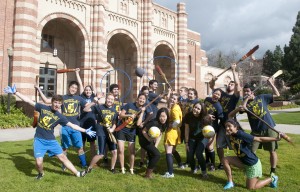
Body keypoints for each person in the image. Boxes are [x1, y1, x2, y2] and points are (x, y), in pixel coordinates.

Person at [4, 85, 96, 179]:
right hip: (39, 140)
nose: (57, 105)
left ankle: (78, 173)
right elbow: (28, 101)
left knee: (63, 158)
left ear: (61, 105)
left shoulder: (60, 116)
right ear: (52, 102)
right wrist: (16, 92)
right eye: (55, 102)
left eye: (59, 103)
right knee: (39, 162)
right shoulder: (42, 108)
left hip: (51, 141)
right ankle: (41, 173)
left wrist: (85, 130)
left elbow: (72, 125)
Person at [230, 80, 280, 175]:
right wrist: (246, 99)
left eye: (248, 91)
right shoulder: (245, 103)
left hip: (269, 128)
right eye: (244, 91)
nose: (246, 93)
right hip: (255, 131)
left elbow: (277, 94)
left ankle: (272, 171)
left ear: (253, 92)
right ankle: (253, 167)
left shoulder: (262, 97)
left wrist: (271, 84)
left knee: (272, 150)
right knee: (250, 151)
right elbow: (242, 108)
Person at [36, 81, 88, 169]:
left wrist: (95, 101)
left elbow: (87, 107)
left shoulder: (79, 98)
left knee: (80, 147)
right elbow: (46, 101)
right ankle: (64, 164)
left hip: (76, 127)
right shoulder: (62, 98)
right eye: (72, 87)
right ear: (69, 87)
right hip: (65, 127)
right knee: (64, 148)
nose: (73, 89)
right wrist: (38, 89)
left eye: (75, 88)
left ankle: (84, 164)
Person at [222, 119, 281, 190]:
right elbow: (230, 116)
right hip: (242, 161)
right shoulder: (231, 135)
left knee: (251, 187)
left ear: (236, 127)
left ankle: (272, 178)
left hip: (252, 164)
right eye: (226, 126)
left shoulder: (241, 134)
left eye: (229, 126)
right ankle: (230, 182)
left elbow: (259, 139)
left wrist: (276, 138)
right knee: (225, 160)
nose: (227, 128)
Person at [209, 63, 241, 169]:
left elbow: (238, 86)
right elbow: (211, 86)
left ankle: (241, 162)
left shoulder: (235, 97)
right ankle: (223, 163)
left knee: (237, 145)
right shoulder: (222, 94)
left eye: (232, 84)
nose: (230, 84)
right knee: (219, 145)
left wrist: (233, 71)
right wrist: (213, 79)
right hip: (222, 125)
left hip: (232, 124)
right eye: (229, 83)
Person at [117, 93, 152, 174]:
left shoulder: (142, 110)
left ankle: (131, 169)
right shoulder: (129, 105)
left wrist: (142, 112)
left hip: (131, 131)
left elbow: (138, 124)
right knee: (121, 150)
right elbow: (121, 115)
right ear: (137, 98)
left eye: (144, 99)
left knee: (132, 151)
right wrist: (129, 115)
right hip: (122, 129)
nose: (142, 100)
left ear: (145, 101)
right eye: (141, 98)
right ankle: (122, 168)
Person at [84, 94, 119, 173]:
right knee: (101, 154)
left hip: (110, 133)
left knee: (114, 151)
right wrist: (93, 102)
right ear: (106, 99)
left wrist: (112, 129)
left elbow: (114, 123)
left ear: (113, 101)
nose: (110, 100)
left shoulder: (114, 111)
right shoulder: (99, 107)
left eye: (111, 99)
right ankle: (89, 168)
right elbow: (86, 109)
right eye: (108, 99)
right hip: (101, 132)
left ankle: (112, 168)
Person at [138, 107, 169, 178]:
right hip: (144, 139)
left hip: (151, 140)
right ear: (158, 116)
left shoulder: (164, 124)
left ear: (167, 116)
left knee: (153, 153)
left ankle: (150, 168)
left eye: (164, 116)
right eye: (161, 116)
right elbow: (143, 131)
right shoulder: (154, 122)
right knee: (157, 154)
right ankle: (148, 174)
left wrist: (155, 146)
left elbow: (160, 134)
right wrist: (149, 139)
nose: (162, 118)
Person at [75, 68, 97, 159]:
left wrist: (93, 73)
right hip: (82, 122)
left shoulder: (93, 96)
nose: (88, 91)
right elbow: (80, 84)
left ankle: (93, 159)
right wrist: (77, 73)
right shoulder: (81, 97)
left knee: (92, 142)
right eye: (86, 90)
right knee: (82, 142)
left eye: (89, 90)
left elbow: (93, 83)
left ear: (92, 91)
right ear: (84, 91)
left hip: (91, 122)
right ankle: (82, 160)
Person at [185, 101, 210, 177]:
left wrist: (209, 139)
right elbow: (187, 129)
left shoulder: (205, 118)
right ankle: (193, 169)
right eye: (195, 107)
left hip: (203, 137)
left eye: (198, 109)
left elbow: (209, 130)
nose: (195, 109)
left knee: (199, 153)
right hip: (192, 137)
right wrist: (186, 142)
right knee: (190, 154)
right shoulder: (188, 116)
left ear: (201, 111)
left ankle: (204, 172)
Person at [162, 93, 182, 178]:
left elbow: (177, 121)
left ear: (177, 101)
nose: (172, 99)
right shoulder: (176, 107)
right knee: (173, 150)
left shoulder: (174, 109)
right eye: (172, 98)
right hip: (176, 131)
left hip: (172, 132)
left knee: (168, 152)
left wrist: (171, 125)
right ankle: (181, 164)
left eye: (174, 99)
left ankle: (170, 173)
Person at [204, 88, 224, 171]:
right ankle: (207, 161)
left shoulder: (219, 107)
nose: (216, 95)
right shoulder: (207, 99)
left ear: (220, 97)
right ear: (212, 93)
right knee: (205, 145)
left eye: (218, 95)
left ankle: (212, 165)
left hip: (212, 128)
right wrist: (207, 115)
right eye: (215, 93)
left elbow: (221, 118)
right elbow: (202, 110)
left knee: (210, 146)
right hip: (204, 126)